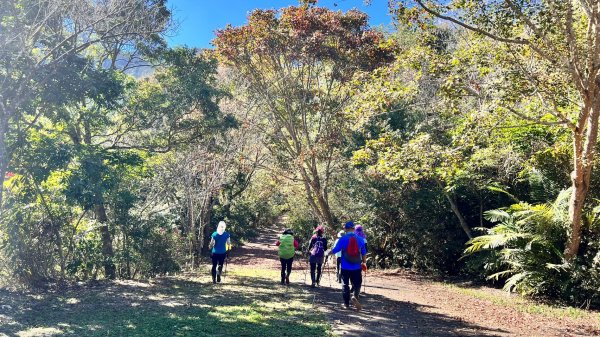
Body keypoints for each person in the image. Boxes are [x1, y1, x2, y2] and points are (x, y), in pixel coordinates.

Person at [328, 221, 367, 311]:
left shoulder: (342, 239)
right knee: (357, 283)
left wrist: (327, 253)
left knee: (345, 285)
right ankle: (355, 296)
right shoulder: (360, 239)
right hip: (357, 266)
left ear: (345, 229)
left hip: (345, 267)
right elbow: (364, 252)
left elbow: (335, 250)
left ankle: (346, 304)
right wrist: (364, 263)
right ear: (353, 229)